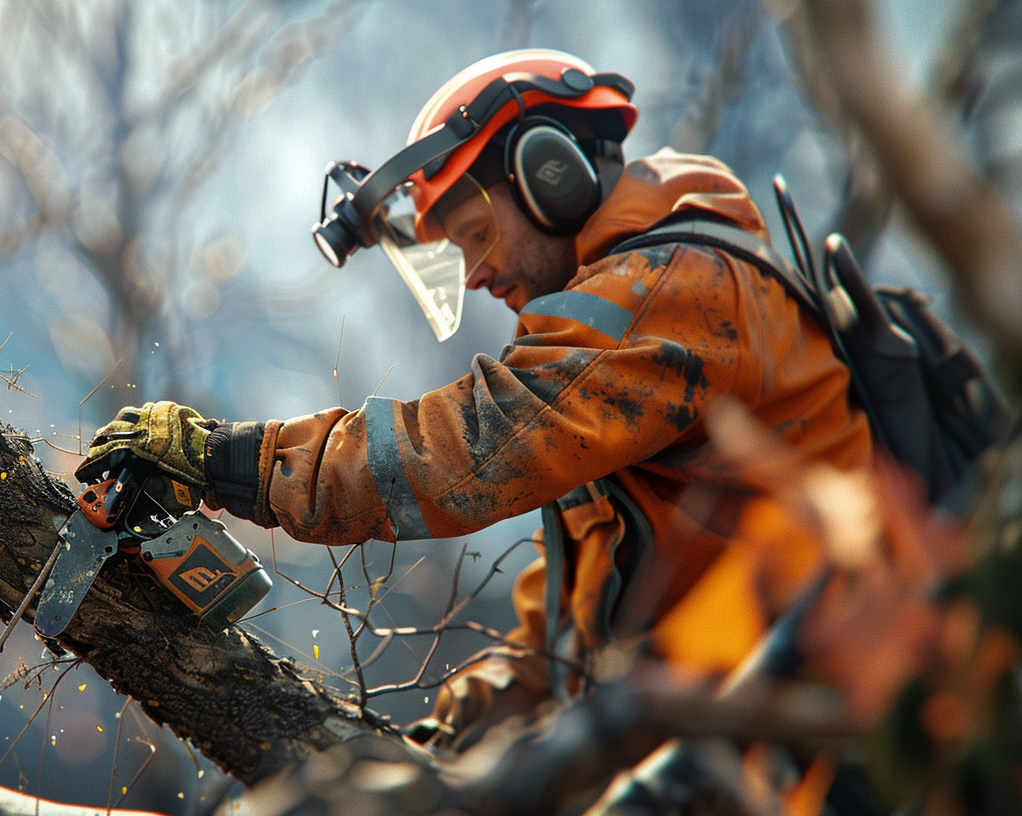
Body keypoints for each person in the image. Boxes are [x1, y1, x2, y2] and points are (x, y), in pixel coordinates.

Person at [76, 49, 873, 751]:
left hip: (823, 739)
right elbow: (560, 643)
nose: (479, 275)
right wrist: (448, 747)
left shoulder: (678, 288)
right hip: (728, 733)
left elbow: (475, 444)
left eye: (475, 236)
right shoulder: (614, 376)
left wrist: (232, 461)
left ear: (549, 174)